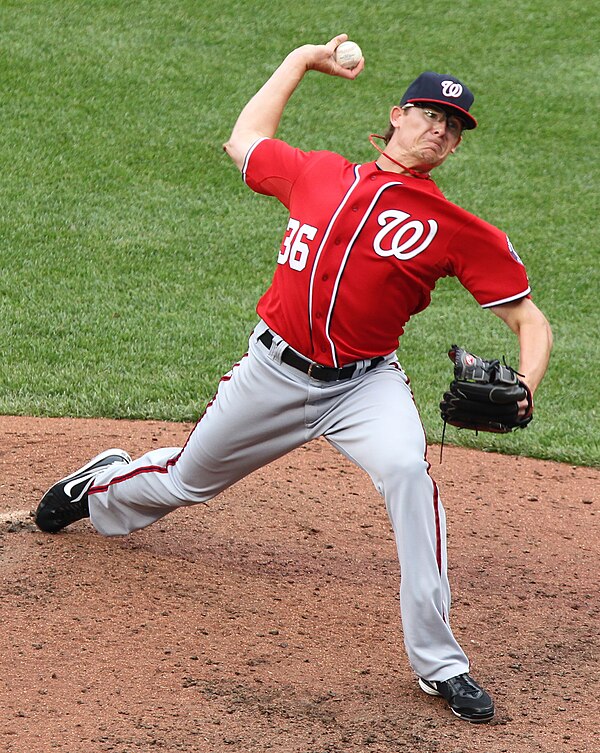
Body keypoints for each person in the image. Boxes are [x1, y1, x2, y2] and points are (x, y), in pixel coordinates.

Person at [35, 34, 553, 723]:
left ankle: (441, 663)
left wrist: (526, 384)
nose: (439, 129)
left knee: (408, 473)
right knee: (188, 480)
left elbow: (531, 320)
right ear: (397, 116)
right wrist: (303, 60)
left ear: (455, 148)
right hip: (272, 373)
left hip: (365, 386)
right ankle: (97, 486)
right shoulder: (318, 173)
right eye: (430, 113)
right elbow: (244, 139)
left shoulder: (455, 227)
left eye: (453, 126)